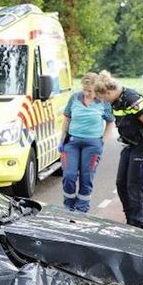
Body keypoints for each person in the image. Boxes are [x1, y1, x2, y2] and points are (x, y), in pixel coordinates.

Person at [93, 71, 143, 229]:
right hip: (130, 144)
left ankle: (137, 224)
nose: (103, 101)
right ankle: (130, 219)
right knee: (121, 183)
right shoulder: (115, 101)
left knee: (135, 184)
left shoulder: (131, 99)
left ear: (109, 92)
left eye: (103, 97)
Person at [58, 72, 113, 212]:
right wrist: (61, 138)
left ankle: (82, 209)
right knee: (69, 175)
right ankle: (69, 206)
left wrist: (103, 142)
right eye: (85, 90)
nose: (87, 94)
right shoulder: (75, 98)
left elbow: (110, 122)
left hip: (92, 144)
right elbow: (66, 118)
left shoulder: (103, 102)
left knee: (86, 177)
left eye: (90, 91)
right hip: (72, 142)